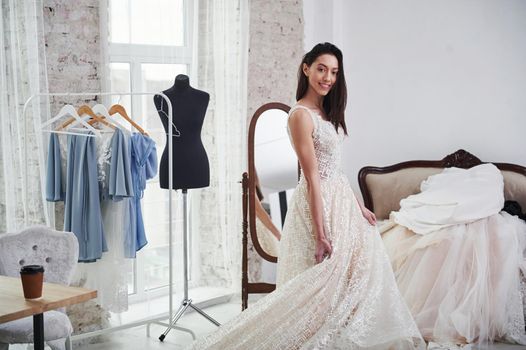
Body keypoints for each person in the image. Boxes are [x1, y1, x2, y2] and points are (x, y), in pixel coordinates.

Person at [187, 42, 424, 349]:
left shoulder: (325, 112)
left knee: (352, 279)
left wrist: (358, 206)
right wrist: (322, 232)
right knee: (313, 290)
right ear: (306, 68)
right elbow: (312, 177)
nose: (328, 78)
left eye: (334, 72)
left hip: (340, 201)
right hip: (318, 204)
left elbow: (335, 170)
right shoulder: (300, 115)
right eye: (322, 69)